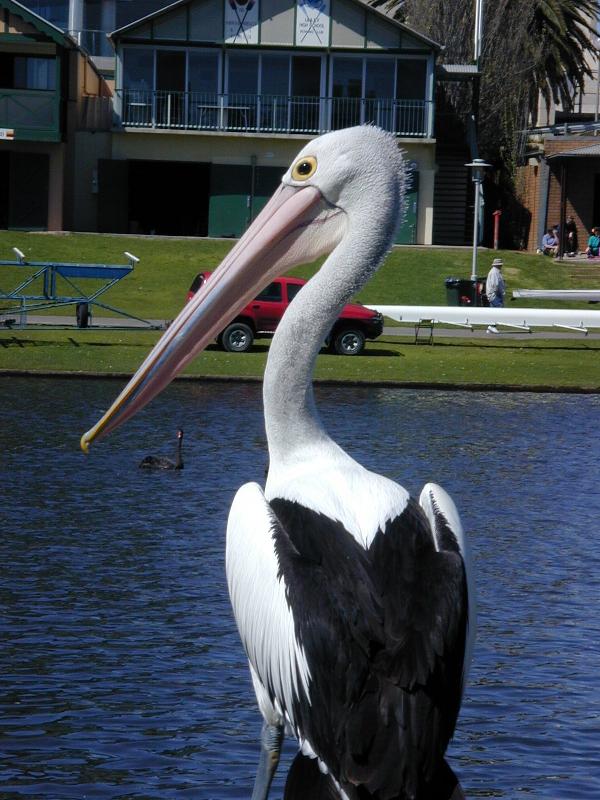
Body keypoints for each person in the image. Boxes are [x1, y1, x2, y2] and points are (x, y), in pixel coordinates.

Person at [485, 258, 505, 334]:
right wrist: (501, 292)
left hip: (494, 294)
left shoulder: (496, 272)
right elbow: (495, 285)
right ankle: (492, 326)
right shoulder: (494, 272)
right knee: (498, 309)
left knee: (493, 310)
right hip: (495, 294)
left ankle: (490, 327)